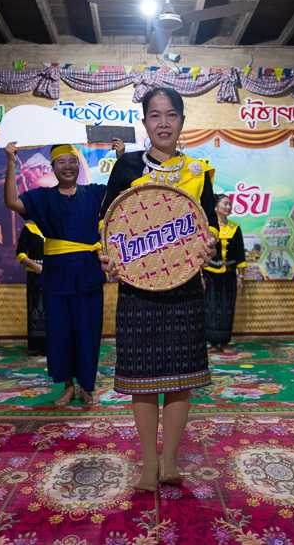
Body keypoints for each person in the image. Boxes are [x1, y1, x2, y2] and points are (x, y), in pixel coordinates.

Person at [99, 87, 219, 492]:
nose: (163, 122)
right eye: (155, 115)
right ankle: (149, 462)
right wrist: (109, 256)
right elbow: (107, 223)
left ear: (182, 121)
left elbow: (209, 224)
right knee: (143, 378)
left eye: (171, 115)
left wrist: (211, 242)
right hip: (138, 289)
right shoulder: (127, 166)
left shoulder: (199, 171)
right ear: (145, 122)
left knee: (181, 378)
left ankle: (171, 460)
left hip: (184, 288)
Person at [4, 142, 106, 406]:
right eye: (62, 162)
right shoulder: (42, 197)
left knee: (88, 331)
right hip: (57, 275)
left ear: (78, 166)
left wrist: (119, 156)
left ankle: (87, 387)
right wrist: (11, 162)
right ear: (53, 168)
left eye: (72, 161)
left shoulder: (94, 193)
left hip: (87, 274)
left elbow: (122, 194)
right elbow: (12, 201)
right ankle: (68, 386)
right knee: (60, 333)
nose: (68, 166)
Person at [203, 194, 246, 352]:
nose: (228, 207)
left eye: (230, 204)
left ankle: (224, 341)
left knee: (227, 307)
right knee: (210, 307)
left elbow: (240, 255)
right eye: (225, 204)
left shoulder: (235, 228)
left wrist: (241, 277)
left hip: (229, 275)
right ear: (215, 208)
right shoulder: (208, 229)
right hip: (210, 273)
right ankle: (210, 342)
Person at [16, 219, 46, 356]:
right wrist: (35, 266)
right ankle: (37, 345)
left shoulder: (53, 225)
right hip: (35, 275)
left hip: (55, 274)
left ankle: (55, 343)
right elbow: (20, 253)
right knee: (37, 308)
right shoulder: (28, 228)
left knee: (53, 308)